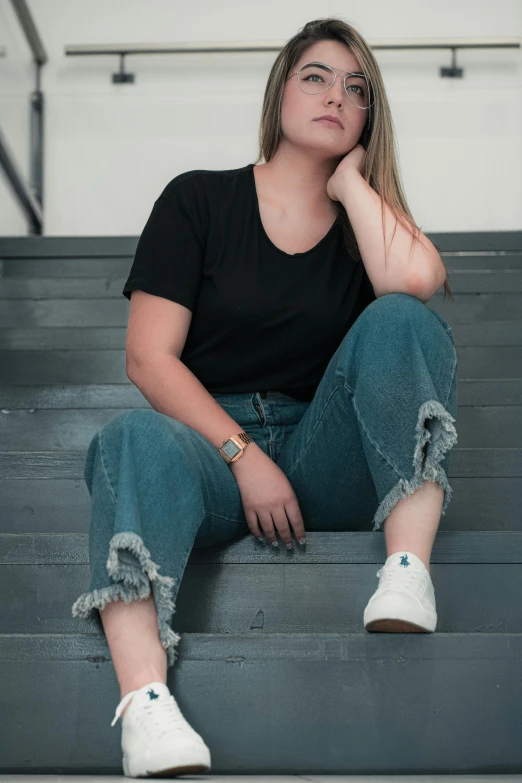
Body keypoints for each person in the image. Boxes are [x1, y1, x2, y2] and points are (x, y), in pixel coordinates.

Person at [71, 17, 458, 778]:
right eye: (316, 76)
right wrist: (243, 456)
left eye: (356, 89)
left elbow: (414, 285)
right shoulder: (198, 202)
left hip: (324, 452)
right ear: (281, 91)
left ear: (367, 118)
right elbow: (148, 358)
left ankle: (408, 567)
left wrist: (350, 181)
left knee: (400, 317)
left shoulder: (362, 228)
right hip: (212, 451)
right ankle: (146, 706)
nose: (335, 96)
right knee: (127, 438)